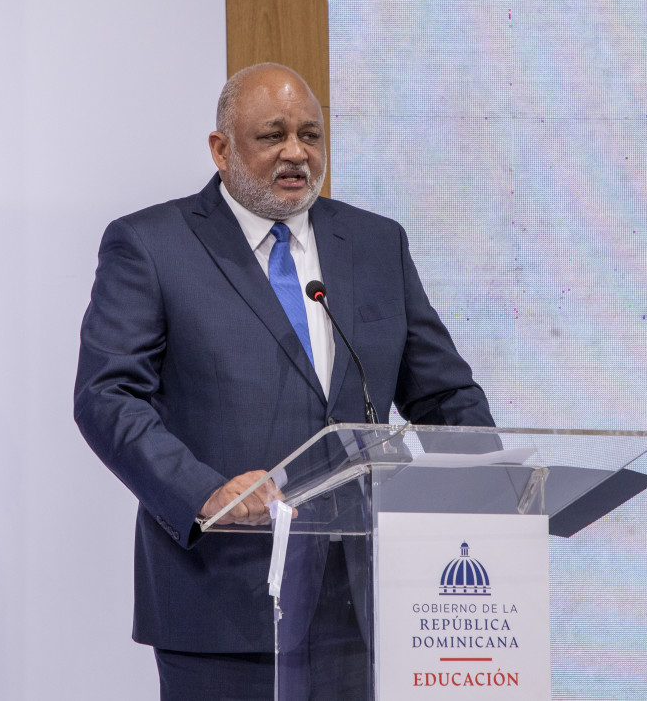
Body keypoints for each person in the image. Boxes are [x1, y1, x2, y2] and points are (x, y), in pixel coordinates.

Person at [74, 62, 492, 699]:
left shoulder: (376, 242)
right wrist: (204, 493)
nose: (296, 152)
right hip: (221, 596)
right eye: (273, 135)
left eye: (310, 135)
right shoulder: (151, 245)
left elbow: (443, 395)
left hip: (365, 604)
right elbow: (107, 397)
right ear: (221, 149)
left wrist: (494, 480)